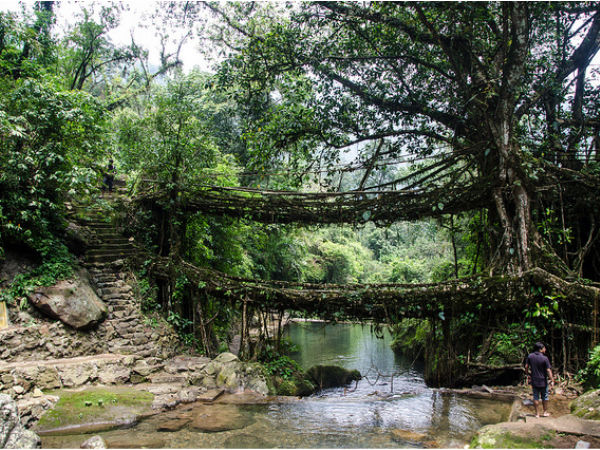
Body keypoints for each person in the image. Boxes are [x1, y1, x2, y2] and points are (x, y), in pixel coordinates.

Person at [525, 342, 554, 418]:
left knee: (535, 396)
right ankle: (544, 412)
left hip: (534, 380)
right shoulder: (545, 358)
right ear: (540, 349)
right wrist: (552, 380)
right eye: (544, 348)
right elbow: (548, 370)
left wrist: (528, 374)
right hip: (543, 381)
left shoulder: (530, 356)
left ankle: (537, 414)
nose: (545, 349)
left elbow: (526, 366)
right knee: (545, 396)